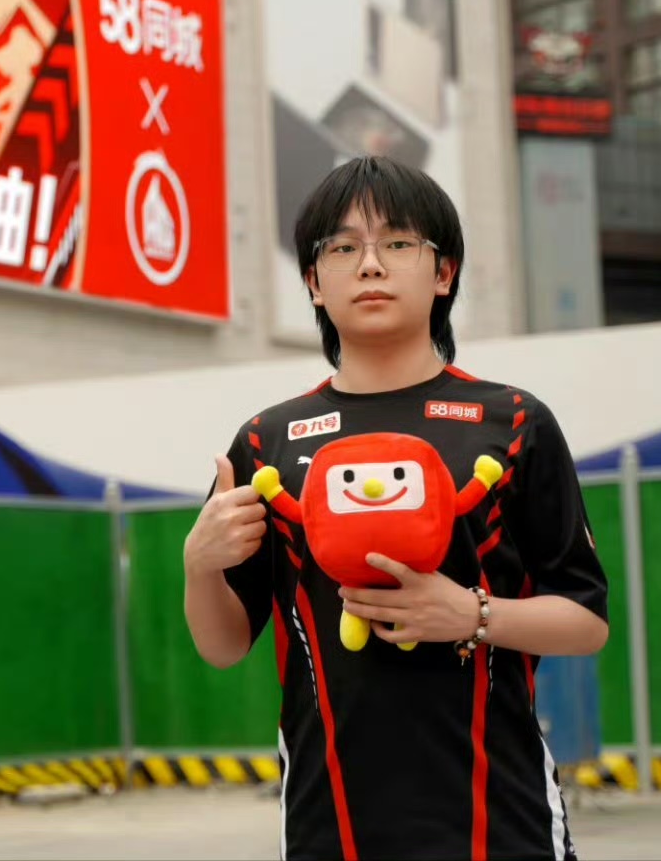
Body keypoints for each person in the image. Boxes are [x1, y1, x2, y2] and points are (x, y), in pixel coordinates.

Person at [183, 155, 609, 861]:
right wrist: (198, 566)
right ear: (313, 282)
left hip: (501, 824)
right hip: (329, 827)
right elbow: (222, 646)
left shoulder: (513, 423)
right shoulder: (266, 443)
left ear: (444, 272)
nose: (371, 264)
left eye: (399, 242)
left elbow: (586, 622)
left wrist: (472, 615)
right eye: (342, 247)